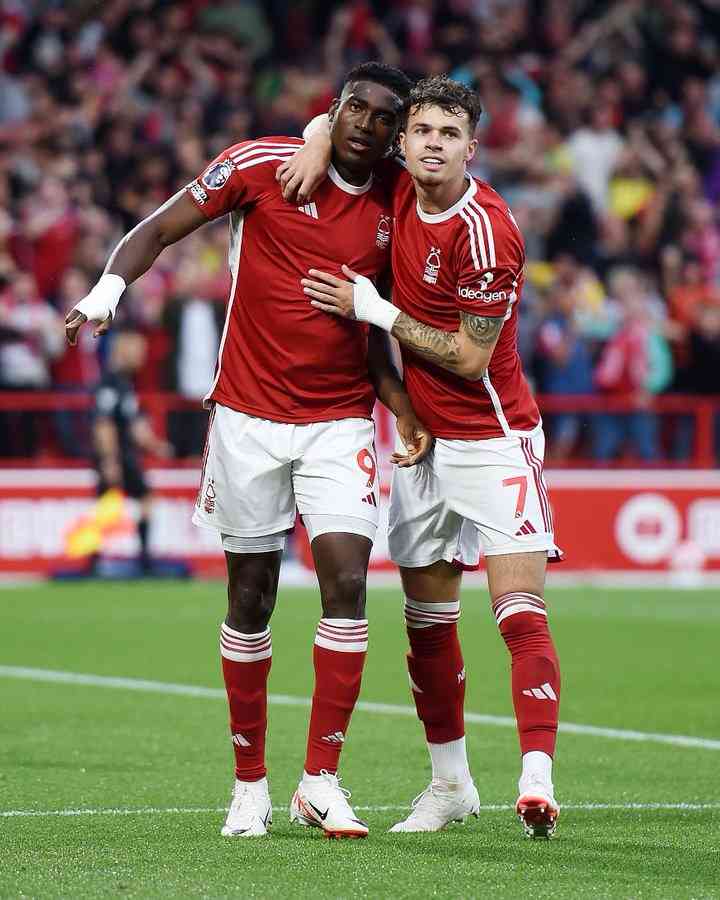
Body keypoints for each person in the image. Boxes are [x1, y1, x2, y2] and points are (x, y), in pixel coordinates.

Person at [64, 62, 431, 840]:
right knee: (251, 598)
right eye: (351, 109)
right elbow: (158, 227)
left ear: (395, 133)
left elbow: (379, 323)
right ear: (333, 111)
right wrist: (108, 291)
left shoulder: (400, 198)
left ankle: (321, 780)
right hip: (247, 418)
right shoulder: (264, 166)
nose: (365, 122)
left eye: (381, 116)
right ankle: (249, 785)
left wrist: (400, 408)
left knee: (347, 581)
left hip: (339, 419)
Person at [283, 75, 563, 838]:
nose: (433, 143)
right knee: (427, 621)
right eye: (422, 130)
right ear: (404, 144)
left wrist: (376, 311)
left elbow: (470, 358)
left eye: (449, 132)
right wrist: (314, 135)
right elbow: (334, 122)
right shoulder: (401, 185)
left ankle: (536, 778)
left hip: (496, 440)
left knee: (517, 613)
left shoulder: (489, 231)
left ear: (473, 147)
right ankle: (451, 787)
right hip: (426, 446)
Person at [91, 327, 172, 572]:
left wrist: (156, 446)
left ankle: (99, 558)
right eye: (137, 350)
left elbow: (135, 425)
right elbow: (103, 424)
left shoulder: (124, 384)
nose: (142, 355)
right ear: (122, 350)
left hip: (124, 454)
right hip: (117, 455)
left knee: (120, 500)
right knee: (116, 500)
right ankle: (136, 558)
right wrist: (109, 460)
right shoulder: (110, 383)